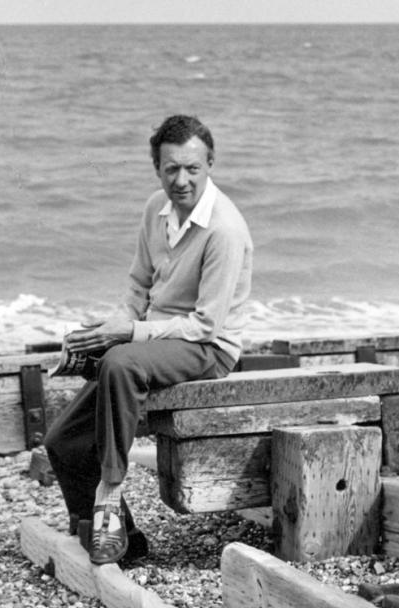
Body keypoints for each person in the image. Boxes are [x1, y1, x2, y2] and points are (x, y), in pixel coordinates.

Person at [44, 114, 253, 564]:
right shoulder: (154, 209)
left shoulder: (225, 230)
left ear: (210, 164)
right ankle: (120, 540)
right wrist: (110, 326)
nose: (182, 180)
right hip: (153, 342)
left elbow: (206, 326)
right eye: (171, 168)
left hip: (208, 349)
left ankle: (109, 491)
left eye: (192, 168)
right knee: (61, 440)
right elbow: (139, 286)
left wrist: (132, 333)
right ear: (156, 167)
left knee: (121, 362)